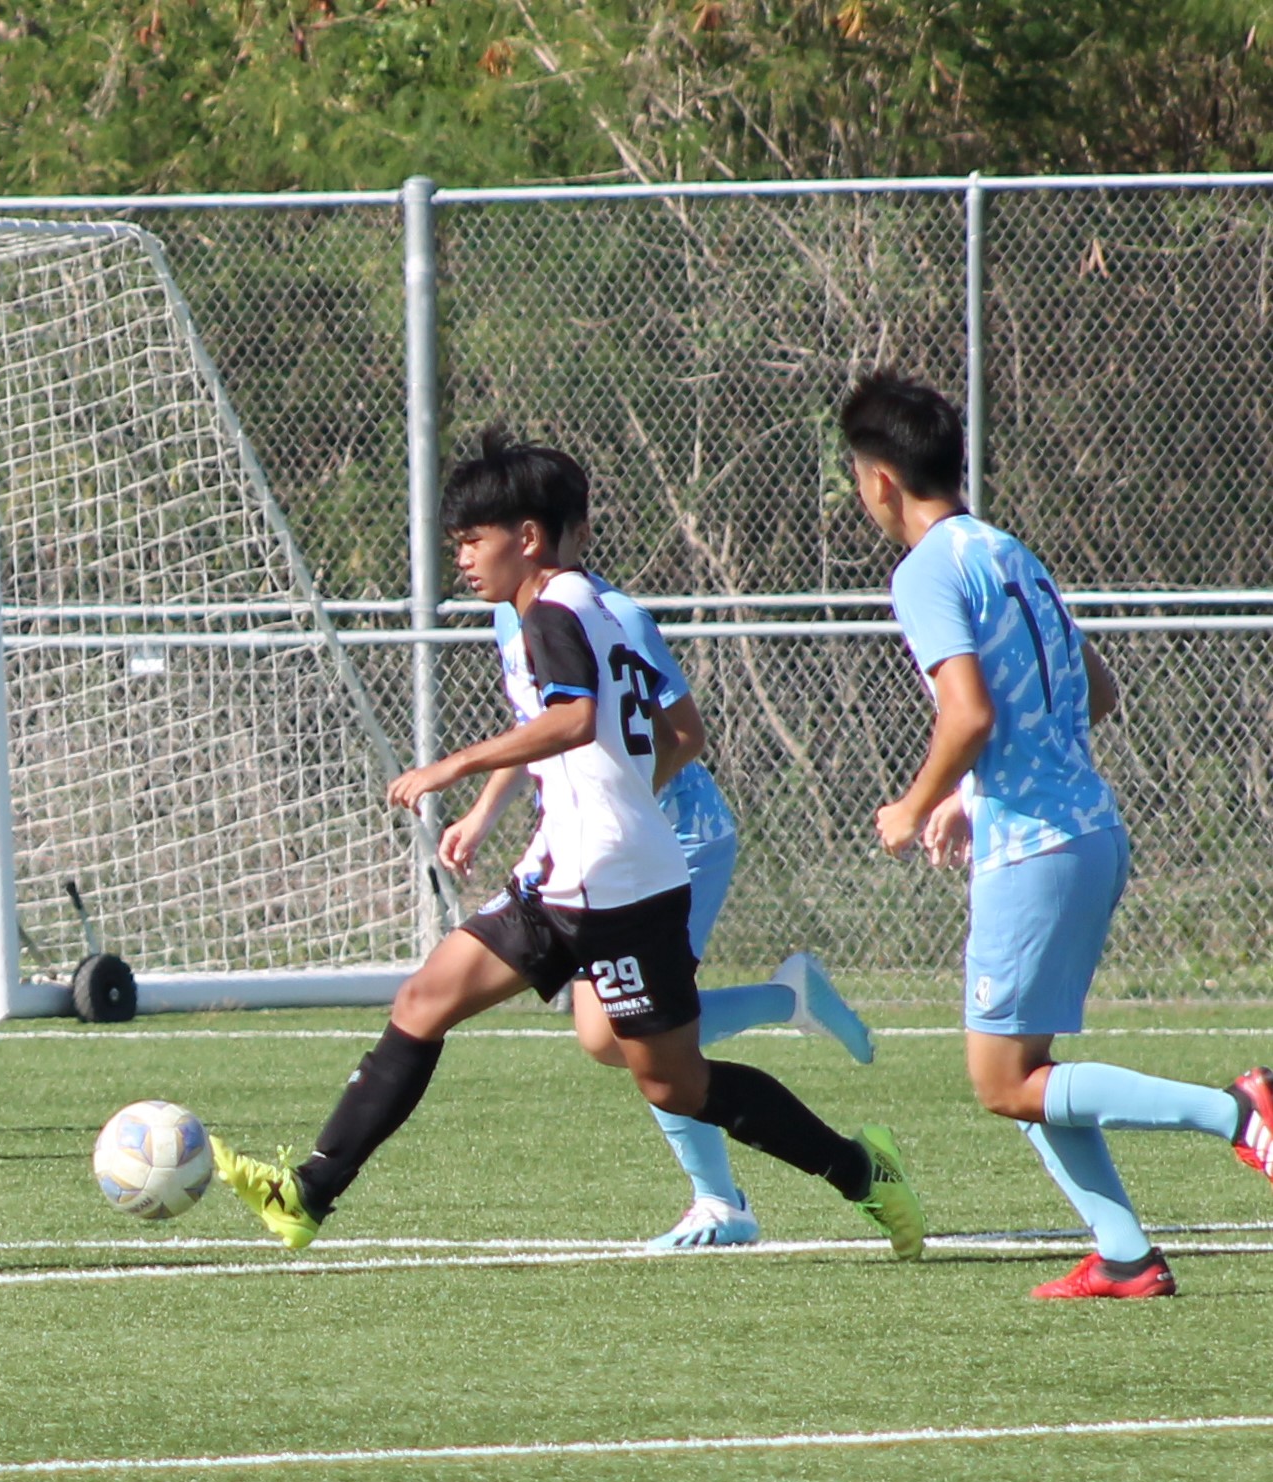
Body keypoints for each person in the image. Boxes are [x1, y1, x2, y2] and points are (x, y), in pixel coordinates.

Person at [210, 430, 925, 1260]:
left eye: (474, 541)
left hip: (622, 890)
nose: (464, 560)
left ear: (527, 537)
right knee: (423, 1002)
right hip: (561, 876)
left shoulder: (553, 606)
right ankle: (307, 1192)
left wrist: (457, 764)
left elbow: (577, 718)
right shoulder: (574, 604)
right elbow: (637, 730)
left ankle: (862, 1171)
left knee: (678, 1083)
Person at [844, 371, 1273, 1299]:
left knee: (1002, 1082)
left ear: (880, 479)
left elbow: (964, 713)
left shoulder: (923, 571)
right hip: (1087, 829)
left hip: (1036, 850)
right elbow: (1098, 692)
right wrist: (981, 790)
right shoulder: (1010, 551)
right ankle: (1124, 1253)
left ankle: (1236, 1111)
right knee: (1031, 1070)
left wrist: (917, 804)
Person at [443, 515, 874, 1250]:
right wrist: (485, 812)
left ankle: (720, 1201)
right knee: (605, 1035)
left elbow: (685, 734)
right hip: (599, 855)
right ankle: (787, 997)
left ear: (537, 535)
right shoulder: (508, 619)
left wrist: (631, 806)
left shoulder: (615, 614)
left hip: (679, 839)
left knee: (634, 1030)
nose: (467, 558)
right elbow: (540, 723)